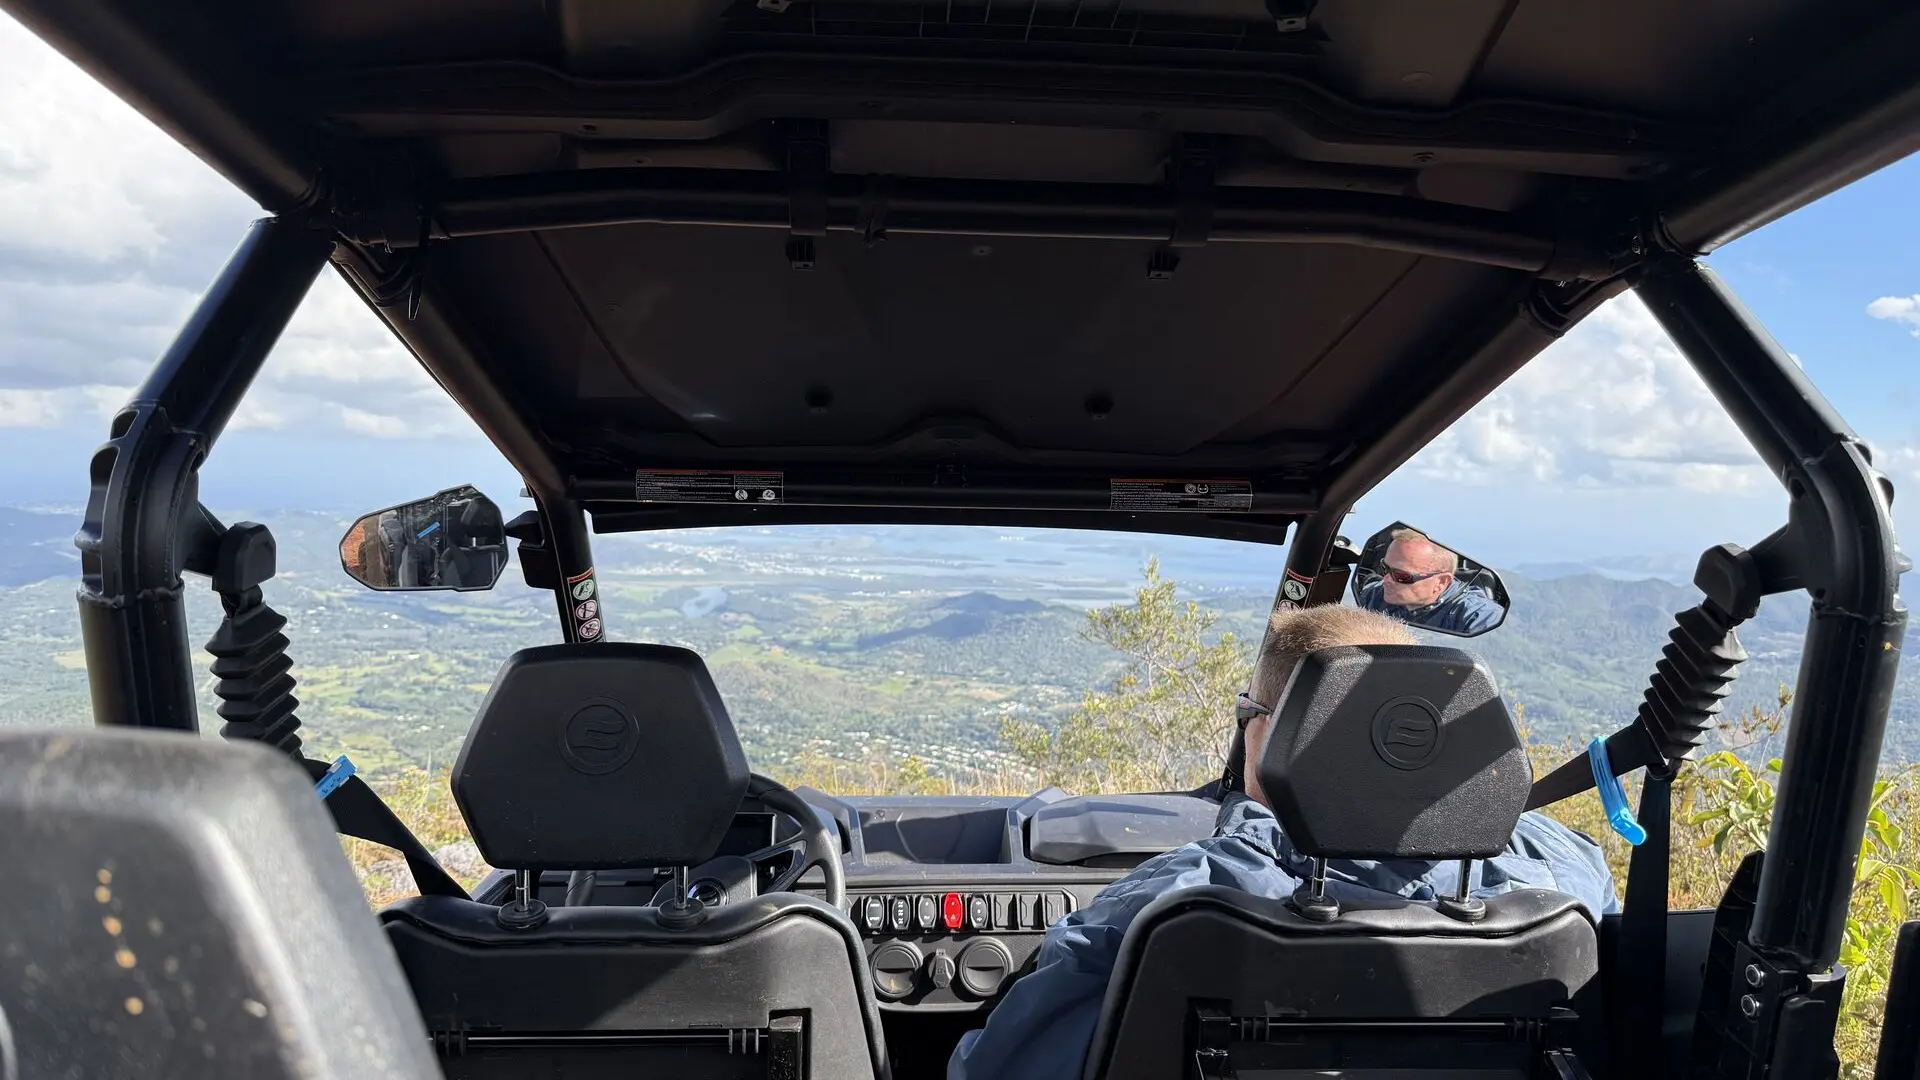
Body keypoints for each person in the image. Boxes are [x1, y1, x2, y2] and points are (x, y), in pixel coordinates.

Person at [946, 605, 1616, 1080]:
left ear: (1270, 731)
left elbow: (997, 1069)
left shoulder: (1183, 900)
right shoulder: (1567, 870)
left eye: (1248, 716)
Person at [1356, 528, 1504, 635]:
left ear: (1441, 582)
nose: (1386, 579)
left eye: (1401, 575)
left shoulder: (1478, 618)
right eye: (1384, 567)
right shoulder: (1374, 595)